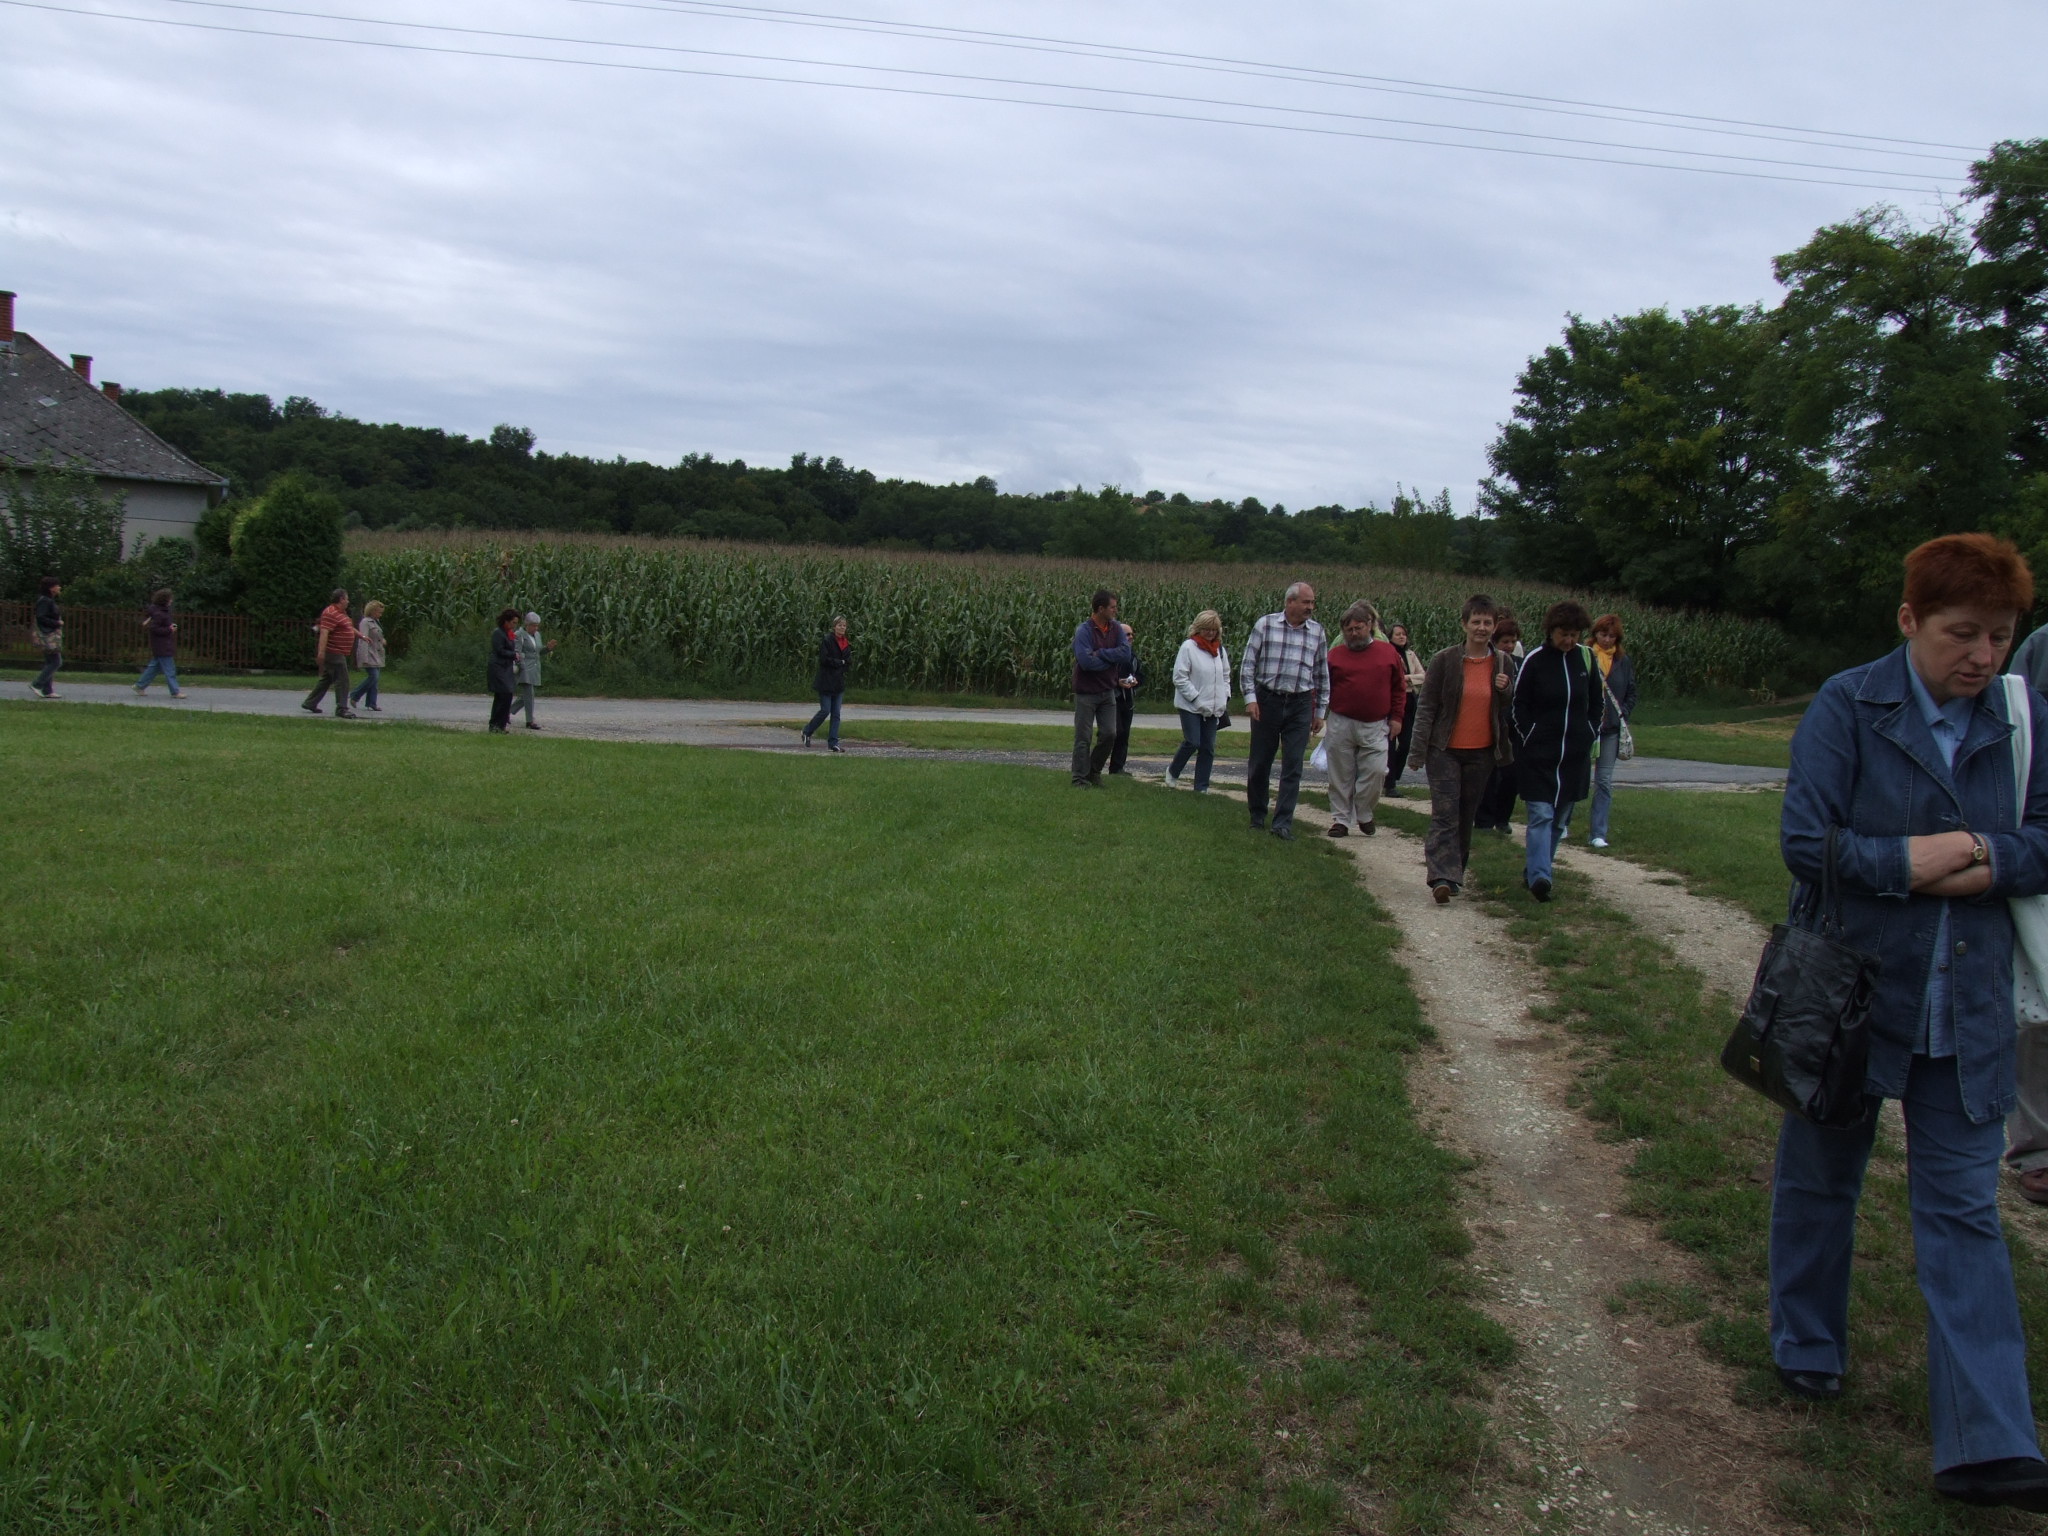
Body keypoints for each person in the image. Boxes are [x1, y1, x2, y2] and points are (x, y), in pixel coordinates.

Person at [1772, 533, 2048, 1512]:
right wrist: (1914, 861)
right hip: (1849, 993)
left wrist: (1984, 857)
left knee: (1963, 1212)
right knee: (1819, 1177)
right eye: (1960, 633)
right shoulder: (1848, 704)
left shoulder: (2021, 718)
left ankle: (1988, 1444)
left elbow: (2043, 839)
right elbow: (1806, 842)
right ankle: (1806, 1340)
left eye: (1998, 636)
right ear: (1908, 620)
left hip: (1967, 1005)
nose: (1981, 655)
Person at [1411, 594, 1514, 903]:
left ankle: (1455, 873)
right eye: (1476, 622)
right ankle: (1441, 876)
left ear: (1494, 626)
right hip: (1444, 749)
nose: (1481, 628)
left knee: (1465, 814)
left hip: (1481, 753)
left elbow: (1506, 706)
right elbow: (1427, 706)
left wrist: (1505, 689)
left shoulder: (1503, 662)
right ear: (1464, 624)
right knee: (1445, 814)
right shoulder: (1444, 660)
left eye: (1487, 622)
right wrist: (1417, 750)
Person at [1511, 601, 1604, 902]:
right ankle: (1541, 878)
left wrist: (1589, 732)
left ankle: (1536, 870)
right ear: (1551, 631)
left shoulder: (1586, 659)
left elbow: (1597, 702)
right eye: (1564, 634)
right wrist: (1530, 735)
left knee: (1560, 820)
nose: (1569, 640)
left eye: (1575, 634)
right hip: (1539, 755)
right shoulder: (1535, 660)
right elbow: (1519, 704)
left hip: (1574, 756)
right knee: (1541, 814)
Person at [1241, 581, 1329, 841]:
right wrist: (1250, 698)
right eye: (1306, 602)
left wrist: (1320, 711)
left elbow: (1322, 674)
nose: (1310, 607)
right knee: (1260, 762)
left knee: (1293, 764)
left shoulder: (1317, 632)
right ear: (1290, 602)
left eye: (1312, 602)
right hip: (1268, 700)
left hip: (1300, 703)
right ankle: (1257, 814)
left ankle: (1282, 823)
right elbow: (1248, 665)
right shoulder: (1266, 625)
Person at [1323, 600, 1406, 838]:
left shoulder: (1387, 652)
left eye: (1358, 628)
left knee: (1377, 771)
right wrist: (1317, 714)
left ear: (1369, 625)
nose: (1354, 633)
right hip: (1341, 720)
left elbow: (1398, 687)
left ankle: (1364, 811)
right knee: (1340, 773)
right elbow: (1322, 687)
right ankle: (1340, 819)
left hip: (1375, 723)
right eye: (1349, 630)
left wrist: (1397, 717)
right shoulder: (1335, 655)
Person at [1071, 589, 1134, 787]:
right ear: (1101, 609)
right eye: (1112, 607)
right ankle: (1079, 778)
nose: (1116, 611)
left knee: (1110, 734)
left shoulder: (1116, 629)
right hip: (1086, 692)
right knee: (1083, 737)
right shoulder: (1084, 631)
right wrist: (1110, 660)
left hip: (1108, 691)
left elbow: (1125, 653)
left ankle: (1093, 771)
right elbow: (1086, 662)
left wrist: (1100, 654)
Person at [1586, 613, 1637, 849]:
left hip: (1611, 729)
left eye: (1612, 636)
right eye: (1603, 634)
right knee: (1576, 776)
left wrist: (1622, 713)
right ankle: (1562, 823)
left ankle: (1598, 832)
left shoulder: (1622, 661)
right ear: (1595, 634)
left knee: (1604, 780)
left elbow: (1631, 692)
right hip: (1586, 727)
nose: (1607, 640)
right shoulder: (1585, 656)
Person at [1169, 610, 1231, 792]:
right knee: (1193, 741)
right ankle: (1173, 771)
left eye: (1214, 629)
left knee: (1208, 747)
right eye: (1206, 629)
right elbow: (1180, 677)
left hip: (1213, 707)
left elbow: (1225, 675)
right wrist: (1196, 698)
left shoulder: (1219, 650)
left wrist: (1225, 696)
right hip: (1190, 705)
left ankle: (1201, 787)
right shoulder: (1189, 647)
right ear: (1198, 628)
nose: (1210, 633)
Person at [1473, 615, 1525, 834]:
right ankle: (1484, 819)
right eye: (1505, 641)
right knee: (1489, 774)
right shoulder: (1488, 663)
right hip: (1490, 725)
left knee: (1511, 776)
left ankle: (1503, 818)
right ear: (1495, 642)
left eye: (1513, 641)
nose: (1509, 646)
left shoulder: (1521, 665)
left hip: (1515, 728)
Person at [300, 588, 359, 718]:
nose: (348, 601)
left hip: (339, 651)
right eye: (347, 599)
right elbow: (324, 633)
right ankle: (342, 708)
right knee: (342, 679)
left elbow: (348, 627)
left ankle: (310, 703)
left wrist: (361, 636)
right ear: (341, 599)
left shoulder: (341, 613)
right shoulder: (330, 612)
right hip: (334, 651)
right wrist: (321, 652)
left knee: (328, 678)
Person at [1383, 621, 1426, 797]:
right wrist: (1406, 679)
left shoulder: (1410, 655)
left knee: (1406, 743)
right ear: (1390, 637)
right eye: (1398, 634)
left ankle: (1393, 775)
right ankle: (1390, 784)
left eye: (1404, 634)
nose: (1402, 637)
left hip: (1409, 699)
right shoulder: (1388, 654)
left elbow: (1423, 676)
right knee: (1390, 744)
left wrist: (1406, 678)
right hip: (1393, 700)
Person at [804, 615, 850, 751]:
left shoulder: (845, 643)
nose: (842, 628)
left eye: (844, 625)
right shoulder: (828, 640)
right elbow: (824, 659)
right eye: (839, 625)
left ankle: (833, 743)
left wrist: (842, 664)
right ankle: (807, 731)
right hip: (826, 681)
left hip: (838, 682)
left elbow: (848, 662)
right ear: (834, 627)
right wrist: (839, 662)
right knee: (825, 710)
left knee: (836, 714)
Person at [131, 588, 185, 698]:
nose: (171, 601)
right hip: (163, 645)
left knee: (154, 668)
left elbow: (161, 625)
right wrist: (170, 629)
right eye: (170, 599)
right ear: (165, 600)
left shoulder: (160, 611)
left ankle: (139, 686)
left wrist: (171, 627)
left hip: (161, 644)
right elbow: (155, 629)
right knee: (170, 670)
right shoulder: (160, 613)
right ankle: (175, 692)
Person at [1106, 623, 1144, 774]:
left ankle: (1117, 768)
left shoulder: (1132, 656)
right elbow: (1103, 676)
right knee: (1114, 733)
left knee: (1124, 734)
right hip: (1112, 698)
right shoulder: (1111, 654)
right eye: (1127, 634)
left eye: (1131, 634)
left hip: (1128, 700)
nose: (1130, 637)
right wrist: (1117, 682)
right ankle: (1097, 764)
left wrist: (1136, 681)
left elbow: (1141, 675)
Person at [510, 611, 556, 731]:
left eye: (537, 626)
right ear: (527, 625)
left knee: (526, 696)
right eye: (533, 625)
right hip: (524, 668)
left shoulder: (537, 635)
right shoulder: (519, 635)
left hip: (534, 668)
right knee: (529, 694)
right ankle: (529, 720)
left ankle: (506, 712)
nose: (536, 628)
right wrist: (521, 666)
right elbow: (517, 652)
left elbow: (538, 652)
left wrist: (547, 649)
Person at [349, 601, 388, 713]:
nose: (380, 614)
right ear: (372, 611)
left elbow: (377, 635)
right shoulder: (365, 622)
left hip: (377, 653)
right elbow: (363, 638)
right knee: (373, 676)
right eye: (378, 612)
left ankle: (372, 702)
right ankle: (355, 695)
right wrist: (363, 657)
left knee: (375, 679)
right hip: (369, 653)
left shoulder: (376, 622)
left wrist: (382, 640)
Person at [486, 607, 519, 733]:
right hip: (498, 668)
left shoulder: (509, 633)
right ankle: (495, 724)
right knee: (503, 695)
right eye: (513, 622)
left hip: (507, 668)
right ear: (506, 621)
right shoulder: (498, 633)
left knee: (507, 695)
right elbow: (499, 650)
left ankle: (501, 725)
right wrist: (513, 654)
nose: (514, 625)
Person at [30, 575, 62, 699]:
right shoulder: (45, 601)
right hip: (47, 634)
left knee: (50, 661)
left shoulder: (48, 600)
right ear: (51, 588)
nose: (59, 587)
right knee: (56, 662)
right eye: (57, 585)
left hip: (48, 633)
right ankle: (36, 684)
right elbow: (41, 617)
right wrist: (57, 623)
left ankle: (47, 690)